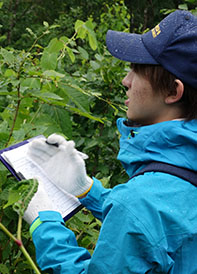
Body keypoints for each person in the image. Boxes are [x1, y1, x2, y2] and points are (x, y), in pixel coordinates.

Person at [20, 10, 197, 273]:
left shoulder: (139, 202)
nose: (126, 80)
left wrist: (44, 224)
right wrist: (89, 191)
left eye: (137, 70)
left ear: (173, 91)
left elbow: (143, 213)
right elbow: (170, 222)